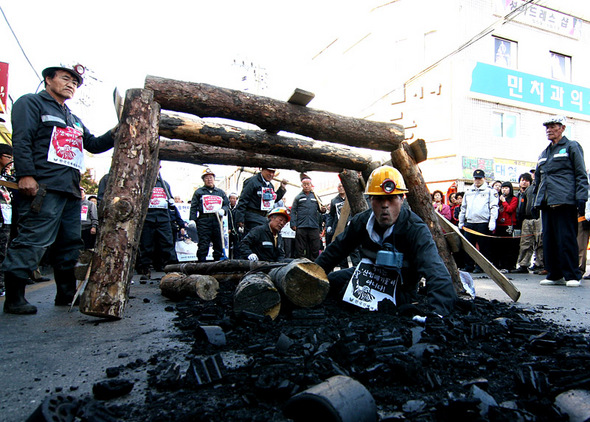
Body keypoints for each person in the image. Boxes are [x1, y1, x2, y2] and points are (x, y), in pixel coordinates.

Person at [2, 64, 116, 314]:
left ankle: (65, 294)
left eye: (75, 83)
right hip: (44, 187)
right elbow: (22, 140)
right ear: (48, 79)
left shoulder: (73, 118)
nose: (71, 85)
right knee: (33, 239)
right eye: (66, 79)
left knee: (69, 244)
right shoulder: (31, 104)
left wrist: (115, 132)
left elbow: (94, 144)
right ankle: (14, 298)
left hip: (71, 192)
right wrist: (26, 175)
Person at [315, 166, 457, 317]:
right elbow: (336, 250)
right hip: (368, 275)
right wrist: (311, 274)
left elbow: (435, 270)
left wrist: (439, 314)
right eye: (379, 199)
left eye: (391, 199)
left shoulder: (415, 229)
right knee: (329, 282)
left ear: (402, 199)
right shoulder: (361, 222)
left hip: (401, 286)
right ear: (370, 200)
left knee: (349, 296)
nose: (385, 205)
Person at [533, 116, 589, 287]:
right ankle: (554, 274)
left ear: (562, 128)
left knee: (566, 238)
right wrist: (534, 203)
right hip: (547, 202)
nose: (549, 130)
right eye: (547, 127)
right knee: (549, 239)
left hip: (566, 200)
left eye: (553, 126)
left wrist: (581, 197)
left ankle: (572, 275)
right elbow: (538, 180)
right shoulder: (544, 152)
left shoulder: (572, 146)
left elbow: (581, 174)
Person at [136, 173, 179, 276]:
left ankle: (172, 268)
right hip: (148, 217)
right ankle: (144, 269)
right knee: (146, 245)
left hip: (163, 217)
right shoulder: (144, 183)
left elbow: (169, 198)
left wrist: (171, 202)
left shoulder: (165, 184)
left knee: (167, 243)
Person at [458, 169, 499, 273]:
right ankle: (469, 266)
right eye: (476, 178)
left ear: (484, 178)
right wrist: (461, 221)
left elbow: (494, 207)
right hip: (470, 222)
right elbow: (464, 208)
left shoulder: (490, 191)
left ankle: (482, 266)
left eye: (480, 178)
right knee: (468, 246)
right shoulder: (468, 192)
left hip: (483, 222)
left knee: (484, 247)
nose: (477, 180)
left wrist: (492, 221)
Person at [189, 168, 229, 262]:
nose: (209, 179)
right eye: (206, 178)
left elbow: (226, 204)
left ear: (214, 179)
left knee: (218, 243)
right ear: (203, 180)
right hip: (204, 221)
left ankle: (217, 263)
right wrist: (192, 219)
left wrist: (223, 210)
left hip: (217, 221)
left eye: (211, 177)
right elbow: (193, 206)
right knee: (203, 244)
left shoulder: (220, 192)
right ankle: (201, 264)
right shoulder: (199, 192)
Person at [236, 168, 288, 235]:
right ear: (262, 170)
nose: (271, 174)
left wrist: (282, 188)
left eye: (273, 172)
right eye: (269, 171)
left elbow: (273, 200)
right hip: (251, 218)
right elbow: (243, 200)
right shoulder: (252, 182)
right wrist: (240, 219)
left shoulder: (270, 185)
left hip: (263, 218)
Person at [290, 175, 326, 261]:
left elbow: (321, 209)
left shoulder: (316, 197)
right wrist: (293, 224)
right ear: (302, 186)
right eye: (304, 184)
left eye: (308, 184)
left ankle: (314, 264)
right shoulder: (298, 197)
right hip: (301, 226)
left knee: (315, 247)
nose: (306, 186)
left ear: (311, 185)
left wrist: (323, 210)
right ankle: (300, 263)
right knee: (300, 247)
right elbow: (293, 211)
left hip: (313, 226)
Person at [512, 172, 542, 273]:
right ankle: (523, 264)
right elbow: (522, 206)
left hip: (539, 217)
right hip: (527, 218)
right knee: (525, 243)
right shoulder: (528, 190)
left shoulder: (543, 185)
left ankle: (540, 264)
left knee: (540, 242)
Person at [494, 181, 518, 271]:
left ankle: (507, 265)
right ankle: (499, 264)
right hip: (499, 224)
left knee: (508, 246)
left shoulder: (514, 199)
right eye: (503, 188)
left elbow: (510, 209)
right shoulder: (498, 199)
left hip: (508, 224)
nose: (504, 190)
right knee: (498, 246)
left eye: (506, 188)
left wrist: (504, 201)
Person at [0, 144, 14, 296]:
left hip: (7, 220)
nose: (10, 162)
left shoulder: (8, 178)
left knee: (4, 252)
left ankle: (2, 283)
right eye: (8, 157)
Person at [227, 192, 242, 259]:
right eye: (231, 198)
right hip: (228, 230)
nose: (233, 200)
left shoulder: (239, 208)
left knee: (237, 246)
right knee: (228, 246)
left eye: (234, 198)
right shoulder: (226, 209)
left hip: (237, 230)